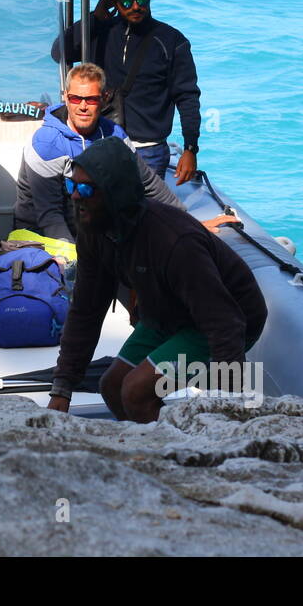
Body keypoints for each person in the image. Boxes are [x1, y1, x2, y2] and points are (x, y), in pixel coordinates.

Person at [46, 139, 267, 422]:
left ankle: (175, 458)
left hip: (228, 318)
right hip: (167, 315)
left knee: (136, 392)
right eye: (72, 186)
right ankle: (147, 448)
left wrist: (231, 405)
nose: (76, 197)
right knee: (111, 387)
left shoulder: (175, 241)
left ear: (115, 194)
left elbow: (224, 321)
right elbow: (86, 311)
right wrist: (62, 388)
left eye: (86, 188)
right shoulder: (94, 230)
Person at [15, 62, 195, 242]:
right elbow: (49, 215)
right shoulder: (47, 144)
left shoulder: (114, 135)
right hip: (39, 235)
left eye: (91, 99)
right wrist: (73, 260)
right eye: (76, 98)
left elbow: (148, 183)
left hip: (89, 231)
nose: (83, 106)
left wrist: (188, 223)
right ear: (66, 98)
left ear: (104, 98)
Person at [53, 0, 201, 184]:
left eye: (141, 0)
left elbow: (187, 96)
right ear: (114, 2)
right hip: (100, 141)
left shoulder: (172, 41)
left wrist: (190, 148)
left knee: (142, 214)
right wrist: (95, 17)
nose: (135, 7)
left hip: (148, 151)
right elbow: (59, 52)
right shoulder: (100, 32)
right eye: (126, 2)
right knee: (97, 212)